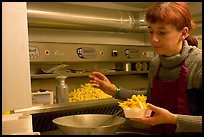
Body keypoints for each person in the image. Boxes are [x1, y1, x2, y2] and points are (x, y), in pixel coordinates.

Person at [89, 2, 202, 135]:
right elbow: (149, 98)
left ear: (183, 33)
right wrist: (114, 90)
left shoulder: (198, 64)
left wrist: (174, 119)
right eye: (151, 31)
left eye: (161, 32)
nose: (153, 39)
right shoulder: (156, 63)